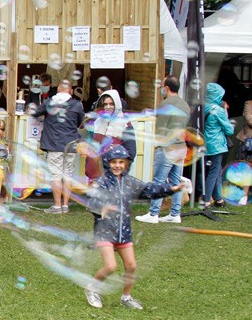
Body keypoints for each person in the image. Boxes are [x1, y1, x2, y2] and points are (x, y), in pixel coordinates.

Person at [84, 145, 184, 310]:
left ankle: (126, 297)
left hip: (124, 232)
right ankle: (92, 288)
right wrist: (101, 207)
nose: (117, 165)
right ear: (107, 163)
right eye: (114, 162)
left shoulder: (130, 182)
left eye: (121, 162)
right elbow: (91, 201)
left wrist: (171, 189)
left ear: (126, 164)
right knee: (111, 266)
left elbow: (149, 189)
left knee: (131, 266)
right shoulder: (101, 183)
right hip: (105, 231)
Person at [136, 75, 191, 224]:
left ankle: (153, 214)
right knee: (175, 181)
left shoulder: (165, 104)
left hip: (167, 148)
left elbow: (161, 128)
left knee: (159, 181)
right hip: (181, 147)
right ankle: (175, 213)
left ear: (166, 88)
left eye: (162, 86)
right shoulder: (185, 104)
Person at [32, 79, 85, 214]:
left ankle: (57, 206)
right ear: (71, 91)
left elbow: (35, 112)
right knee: (68, 174)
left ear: (58, 89)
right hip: (71, 143)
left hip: (54, 143)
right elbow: (81, 123)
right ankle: (66, 205)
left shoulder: (50, 102)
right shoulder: (77, 105)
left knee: (56, 175)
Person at [83, 90, 136, 182]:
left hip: (114, 176)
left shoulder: (125, 124)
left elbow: (131, 152)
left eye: (111, 104)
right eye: (105, 104)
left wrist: (120, 169)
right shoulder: (98, 122)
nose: (108, 107)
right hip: (95, 176)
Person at [202, 83, 234, 208]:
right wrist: (225, 110)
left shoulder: (204, 107)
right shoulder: (219, 110)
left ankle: (219, 198)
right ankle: (206, 200)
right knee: (214, 172)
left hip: (206, 143)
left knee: (217, 170)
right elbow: (229, 130)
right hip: (216, 144)